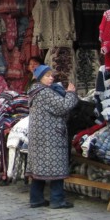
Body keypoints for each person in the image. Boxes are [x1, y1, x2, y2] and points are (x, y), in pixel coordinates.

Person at [27, 64, 79, 209]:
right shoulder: (45, 92)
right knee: (56, 167)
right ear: (40, 78)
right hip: (51, 136)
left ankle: (36, 199)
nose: (51, 78)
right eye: (47, 76)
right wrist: (70, 93)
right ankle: (57, 200)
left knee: (40, 168)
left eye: (51, 76)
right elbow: (63, 106)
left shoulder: (34, 91)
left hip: (39, 136)